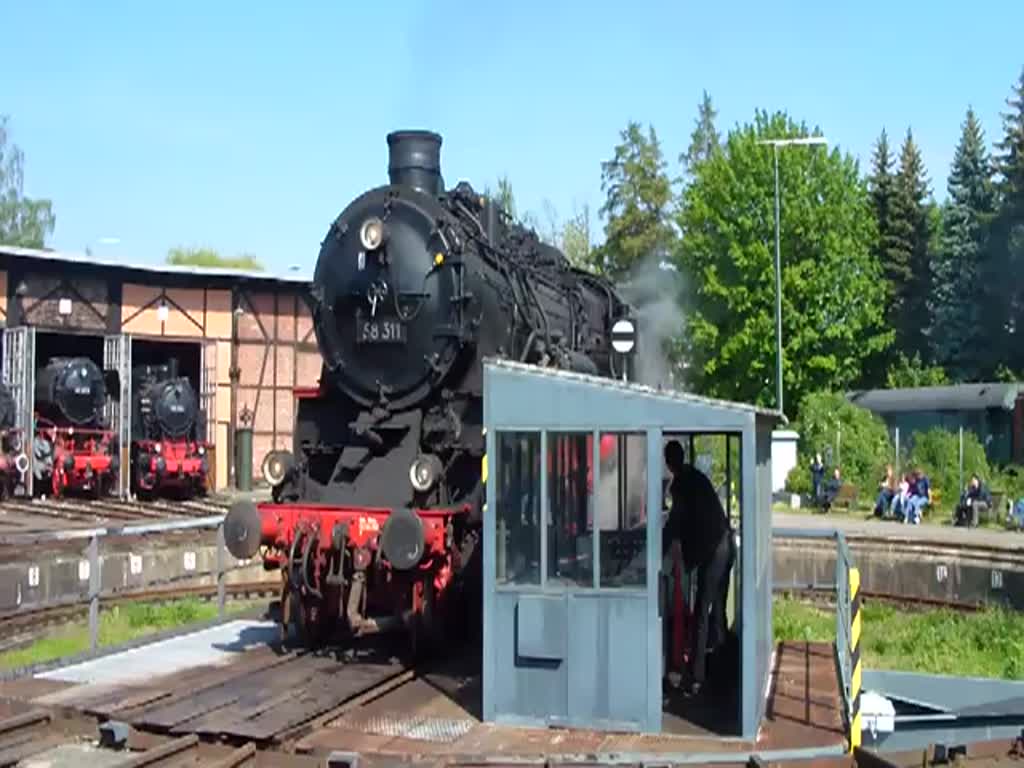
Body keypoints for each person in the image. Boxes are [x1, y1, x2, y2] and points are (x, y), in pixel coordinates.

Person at [663, 439, 735, 694]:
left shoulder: (681, 484)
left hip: (715, 549)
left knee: (702, 612)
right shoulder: (695, 476)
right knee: (717, 612)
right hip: (726, 545)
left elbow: (676, 520)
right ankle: (723, 669)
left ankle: (698, 677)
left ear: (668, 463)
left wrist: (660, 547)